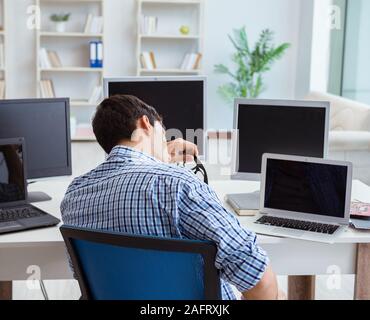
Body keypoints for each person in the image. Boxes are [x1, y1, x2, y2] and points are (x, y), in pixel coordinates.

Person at [61, 95, 281, 300]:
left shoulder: (75, 194)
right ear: (146, 123)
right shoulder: (178, 184)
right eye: (163, 132)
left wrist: (159, 159)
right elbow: (260, 281)